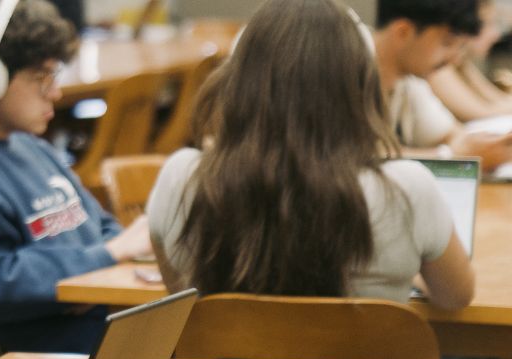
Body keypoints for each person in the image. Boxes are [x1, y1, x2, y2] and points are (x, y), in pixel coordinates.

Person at [148, 0, 474, 310]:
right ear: (360, 88)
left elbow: (184, 301)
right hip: (358, 353)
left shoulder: (180, 178)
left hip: (224, 353)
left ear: (237, 81)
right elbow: (456, 296)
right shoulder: (407, 190)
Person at [0, 0, 151, 355]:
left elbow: (103, 229)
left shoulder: (31, 146)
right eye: (40, 78)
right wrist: (98, 264)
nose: (55, 92)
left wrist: (99, 267)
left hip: (104, 330)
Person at [373, 0, 512, 166]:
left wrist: (489, 146)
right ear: (403, 31)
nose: (454, 59)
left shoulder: (409, 80)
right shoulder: (349, 64)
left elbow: (450, 134)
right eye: (447, 43)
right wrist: (451, 154)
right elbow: (361, 153)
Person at [428, 0, 512, 122]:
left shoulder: (463, 63)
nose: (495, 35)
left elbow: (495, 99)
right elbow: (482, 113)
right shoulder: (436, 65)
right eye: (486, 24)